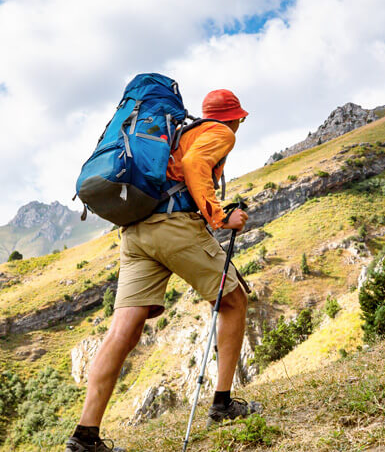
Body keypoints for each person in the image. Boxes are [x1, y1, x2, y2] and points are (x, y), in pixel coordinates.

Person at [66, 89, 260, 452]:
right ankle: (222, 405)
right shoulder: (220, 132)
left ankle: (85, 437)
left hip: (136, 232)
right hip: (173, 227)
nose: (241, 123)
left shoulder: (177, 134)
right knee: (233, 301)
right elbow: (194, 167)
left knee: (122, 330)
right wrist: (220, 216)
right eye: (241, 118)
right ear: (234, 116)